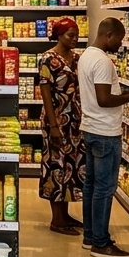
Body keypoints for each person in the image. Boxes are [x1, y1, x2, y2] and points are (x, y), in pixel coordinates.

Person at [77, 18, 129, 257]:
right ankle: (101, 242)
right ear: (108, 35)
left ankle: (90, 235)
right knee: (104, 188)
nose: (120, 44)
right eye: (119, 39)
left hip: (90, 127)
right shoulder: (102, 61)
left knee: (91, 186)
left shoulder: (87, 55)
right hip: (104, 132)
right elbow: (104, 99)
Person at [38, 17, 86, 235]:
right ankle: (57, 220)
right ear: (58, 35)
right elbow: (46, 94)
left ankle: (65, 214)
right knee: (56, 167)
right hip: (55, 121)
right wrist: (54, 125)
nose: (75, 39)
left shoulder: (77, 59)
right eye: (70, 35)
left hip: (74, 122)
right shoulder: (48, 59)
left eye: (76, 35)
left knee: (69, 167)